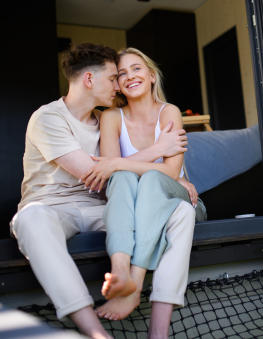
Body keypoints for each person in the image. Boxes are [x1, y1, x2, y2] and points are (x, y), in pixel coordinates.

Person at [10, 43, 194, 339]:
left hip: (101, 206)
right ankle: (96, 332)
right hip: (53, 207)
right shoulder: (48, 118)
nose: (118, 86)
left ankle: (152, 320)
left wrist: (173, 180)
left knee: (181, 212)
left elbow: (117, 174)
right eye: (113, 78)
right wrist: (159, 150)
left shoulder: (105, 119)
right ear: (89, 80)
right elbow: (96, 172)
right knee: (29, 221)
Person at [80, 48, 199, 328]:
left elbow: (169, 172)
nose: (130, 76)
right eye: (121, 74)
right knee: (121, 178)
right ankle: (119, 269)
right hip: (133, 201)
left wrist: (119, 164)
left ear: (152, 76)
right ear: (117, 85)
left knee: (149, 178)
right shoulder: (111, 117)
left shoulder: (168, 112)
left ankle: (134, 282)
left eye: (136, 69)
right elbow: (110, 173)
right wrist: (152, 152)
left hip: (177, 196)